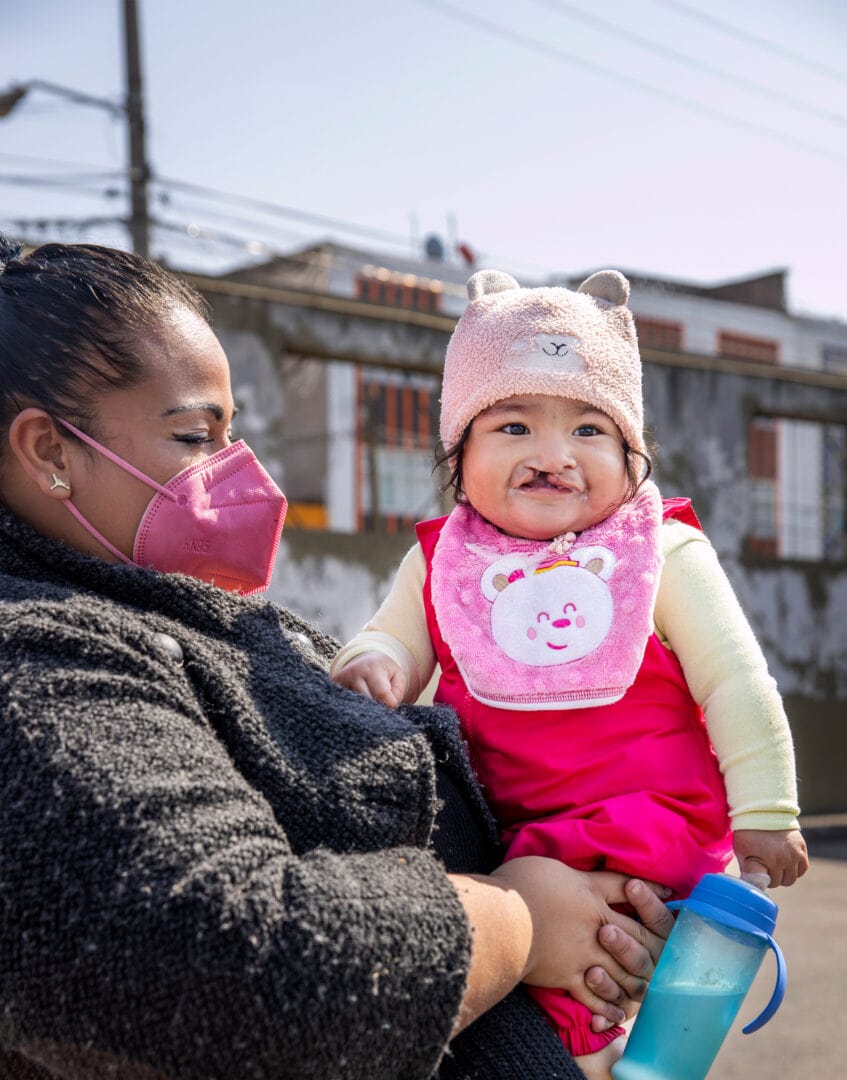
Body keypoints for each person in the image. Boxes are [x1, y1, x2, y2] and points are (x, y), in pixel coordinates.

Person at [0, 238, 675, 1080]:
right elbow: (228, 965)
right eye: (192, 434)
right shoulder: (36, 662)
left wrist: (606, 890)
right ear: (49, 451)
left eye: (230, 432)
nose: (238, 471)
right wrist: (519, 921)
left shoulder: (200, 620)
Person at [331, 268, 809, 1079]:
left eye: (589, 430)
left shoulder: (658, 551)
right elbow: (389, 642)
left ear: (633, 459)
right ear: (459, 453)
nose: (552, 454)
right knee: (511, 1004)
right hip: (509, 835)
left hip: (644, 826)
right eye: (512, 427)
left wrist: (766, 805)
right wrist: (369, 665)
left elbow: (734, 677)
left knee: (573, 1002)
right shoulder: (443, 560)